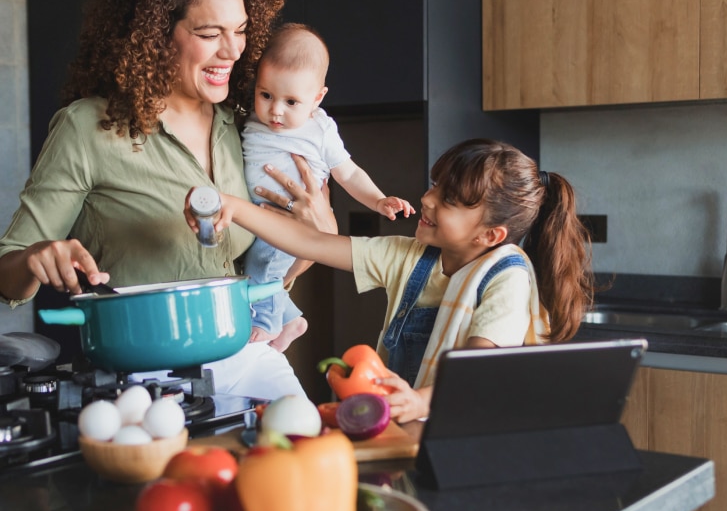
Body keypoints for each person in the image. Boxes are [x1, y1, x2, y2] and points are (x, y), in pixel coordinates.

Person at [0, 0, 337, 400]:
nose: (233, 51)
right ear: (157, 33)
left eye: (240, 30)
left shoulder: (244, 124)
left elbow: (271, 267)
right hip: (143, 380)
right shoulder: (88, 129)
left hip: (246, 356)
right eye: (209, 33)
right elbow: (5, 275)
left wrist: (312, 237)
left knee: (310, 459)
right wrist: (36, 258)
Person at [185, 138, 595, 422]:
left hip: (464, 437)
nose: (427, 199)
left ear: (490, 236)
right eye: (435, 186)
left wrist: (419, 402)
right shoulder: (409, 258)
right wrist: (233, 207)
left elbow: (479, 371)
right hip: (405, 425)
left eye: (448, 200)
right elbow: (310, 242)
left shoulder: (507, 277)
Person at [241, 22, 415, 349]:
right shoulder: (253, 115)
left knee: (261, 267)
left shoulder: (319, 130)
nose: (275, 110)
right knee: (262, 271)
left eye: (291, 102)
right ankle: (290, 320)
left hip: (287, 221)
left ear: (317, 98)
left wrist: (378, 200)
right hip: (260, 216)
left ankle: (265, 324)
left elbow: (347, 174)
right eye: (265, 94)